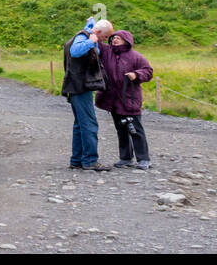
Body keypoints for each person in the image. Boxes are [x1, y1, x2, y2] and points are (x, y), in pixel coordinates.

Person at [95, 29, 154, 169]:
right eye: (113, 38)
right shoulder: (106, 51)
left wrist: (136, 74)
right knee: (121, 129)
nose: (114, 40)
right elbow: (96, 41)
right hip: (112, 100)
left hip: (130, 98)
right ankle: (125, 158)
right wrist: (94, 28)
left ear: (126, 41)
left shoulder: (135, 56)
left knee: (136, 130)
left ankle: (144, 159)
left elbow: (148, 71)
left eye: (118, 38)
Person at [64, 17, 111, 171]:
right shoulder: (84, 38)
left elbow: (90, 30)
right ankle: (90, 160)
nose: (104, 41)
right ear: (98, 32)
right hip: (80, 87)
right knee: (89, 124)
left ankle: (77, 160)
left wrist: (91, 25)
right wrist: (92, 41)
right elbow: (75, 51)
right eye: (104, 37)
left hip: (76, 87)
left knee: (80, 125)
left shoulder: (85, 34)